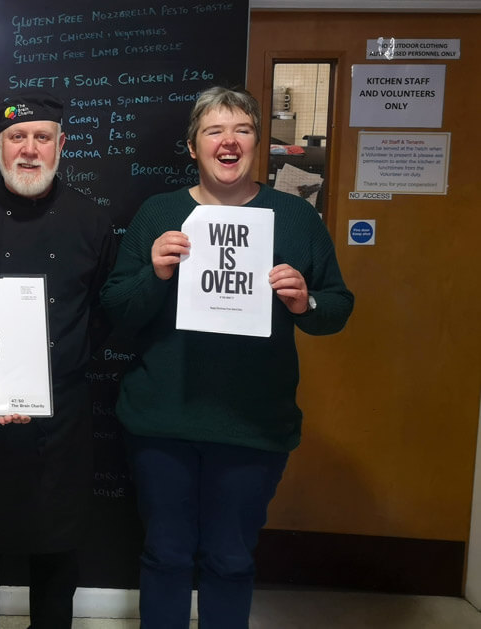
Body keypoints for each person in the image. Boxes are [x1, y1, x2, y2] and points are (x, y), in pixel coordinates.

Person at [100, 86, 354, 628]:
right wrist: (157, 273)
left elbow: (337, 307)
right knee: (165, 554)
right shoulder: (160, 213)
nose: (228, 141)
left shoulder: (294, 217)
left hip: (253, 425)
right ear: (193, 146)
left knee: (231, 559)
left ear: (257, 143)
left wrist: (304, 299)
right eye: (214, 130)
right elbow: (118, 309)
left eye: (241, 130)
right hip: (162, 419)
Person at [0, 91, 116, 628]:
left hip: (60, 419)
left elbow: (104, 313)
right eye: (17, 137)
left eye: (42, 137)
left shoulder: (92, 221)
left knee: (57, 557)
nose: (29, 149)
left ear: (61, 145)